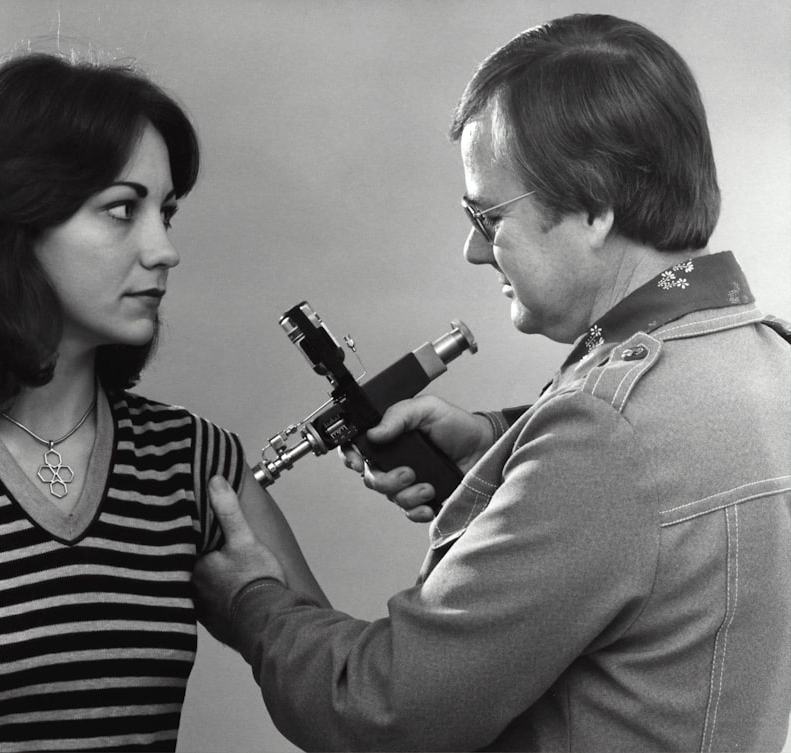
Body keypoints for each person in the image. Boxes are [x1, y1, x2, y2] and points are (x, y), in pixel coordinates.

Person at [192, 13, 791, 752]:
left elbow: (386, 711)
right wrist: (499, 448)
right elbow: (662, 538)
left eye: (487, 213)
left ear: (595, 206)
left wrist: (254, 604)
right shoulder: (767, 359)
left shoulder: (606, 437)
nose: (474, 249)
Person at [0, 51, 328, 753]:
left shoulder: (193, 466)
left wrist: (469, 496)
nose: (164, 249)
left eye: (165, 213)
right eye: (121, 210)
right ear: (13, 220)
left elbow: (350, 703)